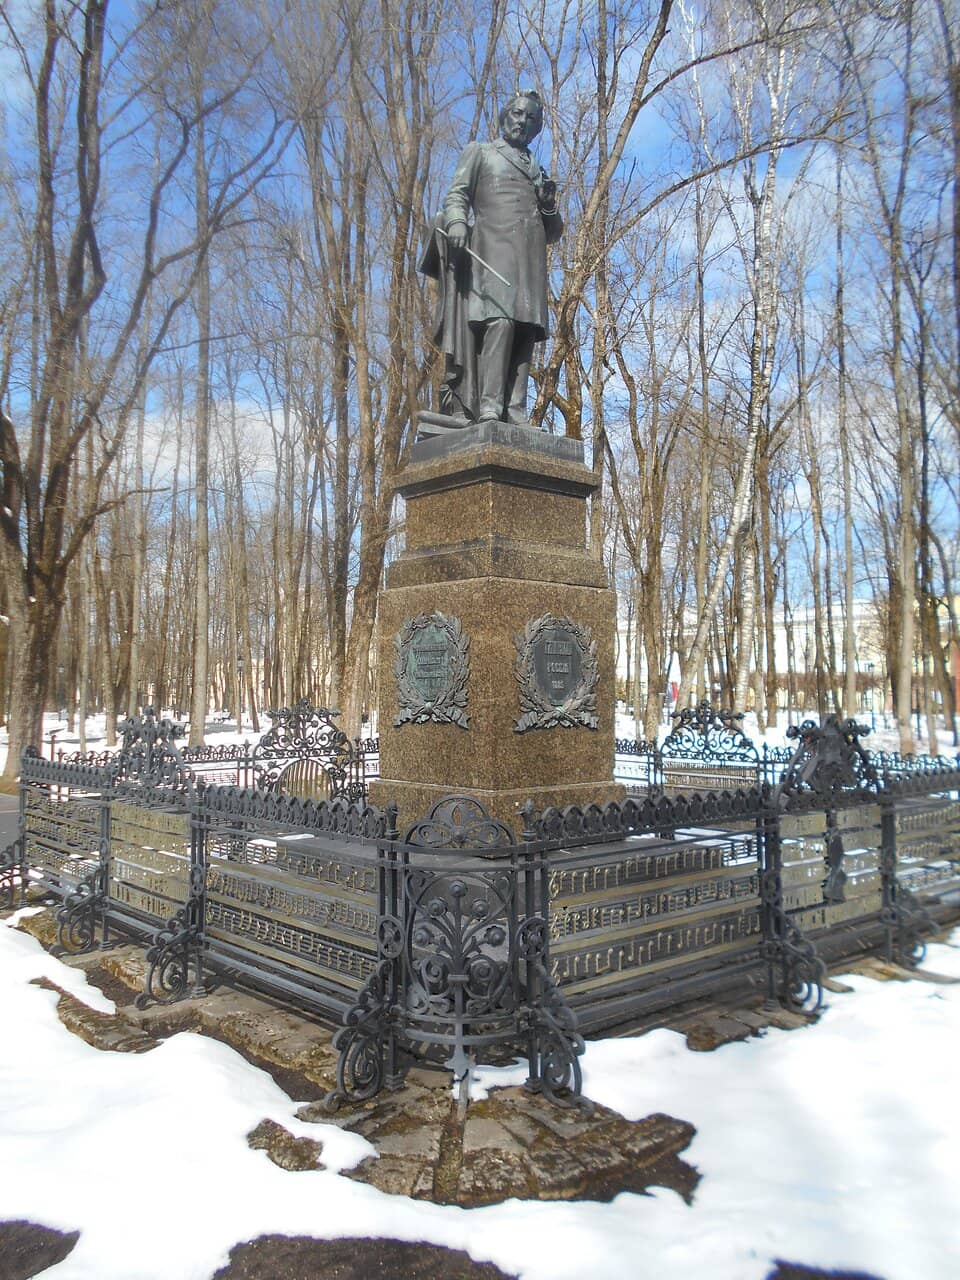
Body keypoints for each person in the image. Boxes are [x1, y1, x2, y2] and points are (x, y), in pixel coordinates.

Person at [420, 91, 562, 426]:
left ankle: (516, 409)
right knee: (501, 322)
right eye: (517, 113)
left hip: (530, 260)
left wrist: (548, 205)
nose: (522, 121)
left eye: (530, 118)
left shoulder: (538, 171)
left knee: (526, 329)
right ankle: (490, 405)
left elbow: (554, 232)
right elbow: (457, 195)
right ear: (504, 116)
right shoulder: (481, 152)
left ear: (536, 128)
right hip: (493, 252)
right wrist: (456, 222)